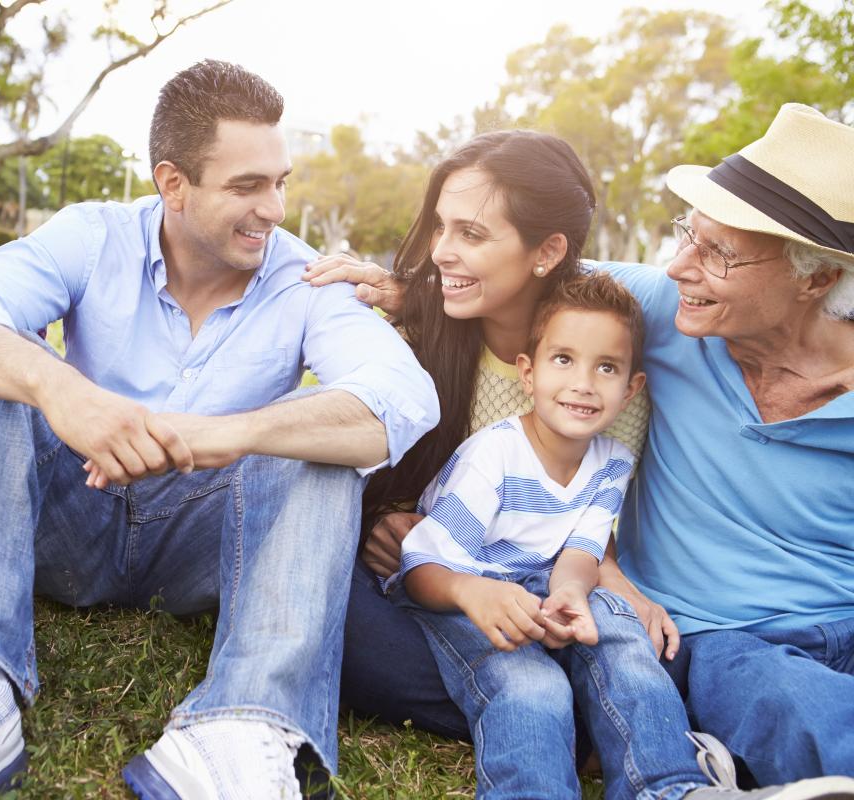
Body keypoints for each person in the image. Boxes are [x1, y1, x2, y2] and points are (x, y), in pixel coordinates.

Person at [0, 60, 438, 800]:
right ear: (173, 184)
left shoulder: (306, 281)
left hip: (203, 542)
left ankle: (240, 729)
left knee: (315, 449)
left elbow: (400, 398)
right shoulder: (92, 235)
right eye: (247, 186)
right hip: (71, 518)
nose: (275, 208)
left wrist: (228, 434)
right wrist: (64, 392)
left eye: (281, 181)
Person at [312, 104, 854, 795]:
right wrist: (412, 293)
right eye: (689, 233)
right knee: (786, 699)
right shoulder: (671, 312)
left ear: (816, 280)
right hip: (728, 638)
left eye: (717, 252)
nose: (680, 264)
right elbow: (533, 261)